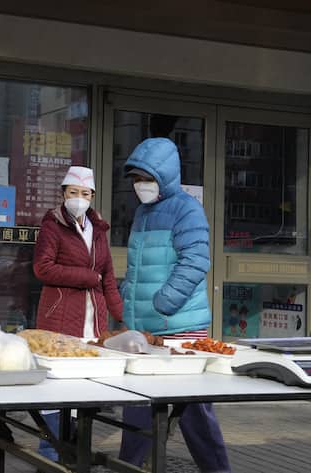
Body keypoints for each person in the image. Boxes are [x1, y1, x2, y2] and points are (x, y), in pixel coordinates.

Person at [118, 138, 231, 473]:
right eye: (137, 179)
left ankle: (218, 470)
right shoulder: (141, 212)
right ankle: (129, 466)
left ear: (164, 175)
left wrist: (166, 300)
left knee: (193, 411)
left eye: (147, 178)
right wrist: (128, 305)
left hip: (181, 328)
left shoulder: (187, 209)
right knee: (138, 404)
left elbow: (196, 260)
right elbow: (139, 268)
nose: (141, 185)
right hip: (146, 329)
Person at [32, 165, 124, 461]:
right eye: (73, 193)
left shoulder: (98, 230)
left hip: (91, 322)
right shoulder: (52, 225)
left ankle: (73, 453)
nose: (79, 199)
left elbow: (107, 275)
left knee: (83, 389)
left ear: (92, 196)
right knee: (57, 388)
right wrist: (86, 277)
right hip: (60, 317)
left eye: (85, 193)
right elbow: (42, 268)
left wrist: (120, 315)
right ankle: (50, 454)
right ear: (63, 194)